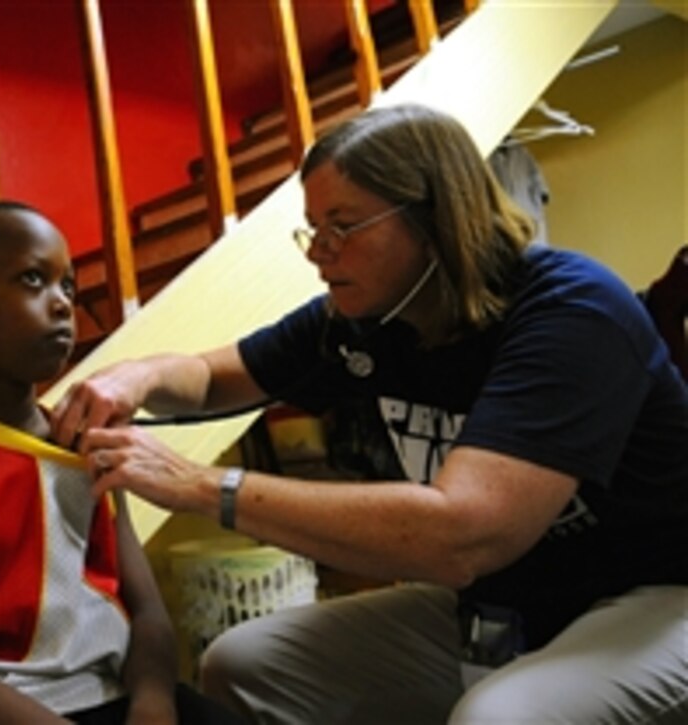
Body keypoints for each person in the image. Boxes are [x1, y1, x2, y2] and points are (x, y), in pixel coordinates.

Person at [50, 104, 688, 724]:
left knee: (502, 717)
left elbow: (463, 535)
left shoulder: (574, 313)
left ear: (435, 219)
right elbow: (216, 378)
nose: (317, 251)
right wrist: (138, 373)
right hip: (505, 595)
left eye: (342, 226)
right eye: (313, 227)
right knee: (241, 663)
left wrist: (197, 486)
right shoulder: (364, 320)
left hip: (658, 593)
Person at [0, 202, 243, 724]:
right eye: (32, 280)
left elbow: (149, 615)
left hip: (112, 698)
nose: (64, 303)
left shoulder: (90, 443)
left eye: (67, 285)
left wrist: (154, 702)